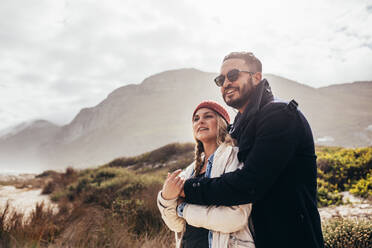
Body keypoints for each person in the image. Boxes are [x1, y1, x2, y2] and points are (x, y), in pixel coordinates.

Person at [179, 52, 324, 248]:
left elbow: (249, 183)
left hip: (292, 238)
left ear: (256, 77)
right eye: (220, 79)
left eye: (233, 75)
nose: (226, 83)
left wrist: (187, 189)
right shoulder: (240, 126)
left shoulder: (279, 115)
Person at [157, 100, 255, 248]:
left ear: (221, 123)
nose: (200, 121)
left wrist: (183, 209)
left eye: (208, 116)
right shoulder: (190, 171)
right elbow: (176, 226)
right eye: (196, 119)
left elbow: (235, 218)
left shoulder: (234, 157)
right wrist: (166, 198)